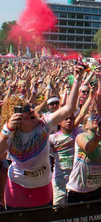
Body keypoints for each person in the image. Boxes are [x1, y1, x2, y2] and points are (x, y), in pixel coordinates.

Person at [0, 64, 85, 209]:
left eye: (30, 106)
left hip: (43, 188)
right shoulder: (11, 134)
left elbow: (69, 108)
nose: (31, 110)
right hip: (17, 190)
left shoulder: (43, 124)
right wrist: (7, 129)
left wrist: (77, 79)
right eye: (25, 109)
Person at [66, 114, 101, 204]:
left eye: (97, 118)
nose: (95, 120)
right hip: (78, 191)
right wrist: (98, 134)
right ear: (85, 126)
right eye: (91, 118)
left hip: (98, 190)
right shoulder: (81, 137)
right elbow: (89, 148)